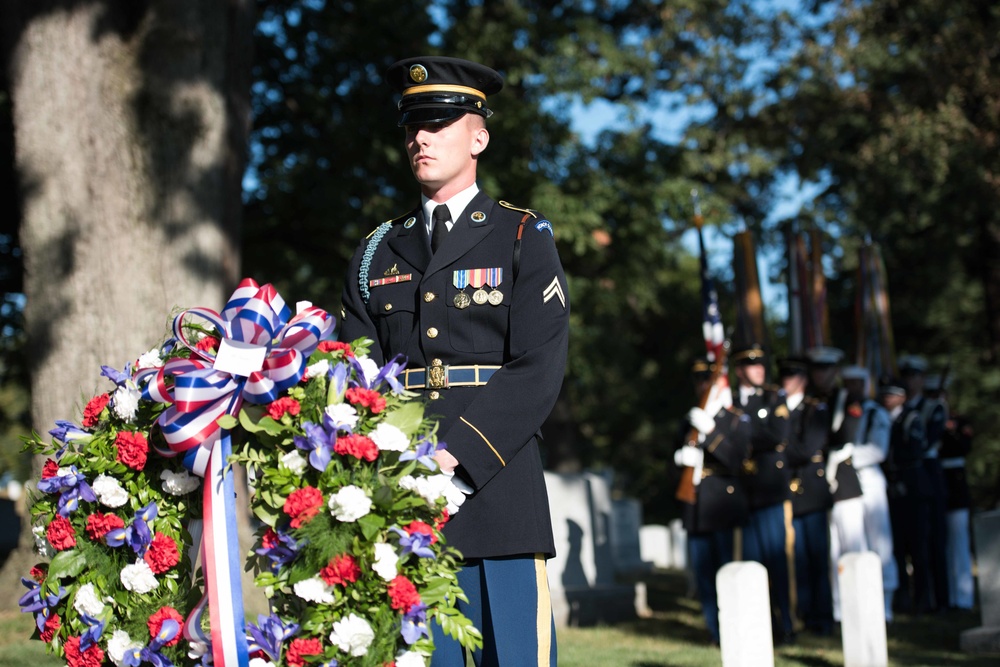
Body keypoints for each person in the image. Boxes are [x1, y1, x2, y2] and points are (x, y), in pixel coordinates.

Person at [338, 56, 569, 666]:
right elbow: (355, 372)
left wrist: (457, 458)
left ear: (479, 137)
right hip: (404, 501)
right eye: (413, 124)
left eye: (440, 123)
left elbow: (539, 364)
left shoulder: (521, 235)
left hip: (498, 495)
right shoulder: (378, 249)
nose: (420, 137)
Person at [674, 358, 751, 645]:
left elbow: (738, 461)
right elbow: (675, 461)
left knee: (728, 571)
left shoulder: (735, 419)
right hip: (696, 505)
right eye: (699, 381)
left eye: (708, 379)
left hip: (723, 506)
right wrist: (680, 461)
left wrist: (710, 434)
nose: (702, 385)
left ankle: (735, 629)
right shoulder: (690, 419)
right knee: (704, 576)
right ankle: (714, 630)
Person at [730, 343, 794, 643]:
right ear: (740, 370)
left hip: (769, 490)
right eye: (752, 365)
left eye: (761, 364)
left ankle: (787, 622)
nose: (759, 370)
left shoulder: (773, 396)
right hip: (744, 492)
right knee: (751, 562)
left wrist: (742, 430)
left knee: (776, 559)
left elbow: (777, 435)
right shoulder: (729, 400)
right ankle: (760, 625)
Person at [805, 346, 867, 625]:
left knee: (853, 547)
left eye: (825, 370)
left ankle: (864, 605)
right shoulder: (811, 400)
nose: (821, 375)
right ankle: (838, 609)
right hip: (819, 487)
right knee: (829, 555)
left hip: (843, 482)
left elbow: (845, 438)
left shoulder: (847, 399)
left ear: (834, 372)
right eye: (817, 370)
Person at [779, 356, 833, 635]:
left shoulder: (815, 409)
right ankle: (801, 611)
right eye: (784, 377)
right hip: (788, 492)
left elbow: (805, 449)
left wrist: (777, 452)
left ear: (802, 380)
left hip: (811, 491)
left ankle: (822, 617)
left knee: (816, 557)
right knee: (795, 559)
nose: (787, 382)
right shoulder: (777, 409)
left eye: (792, 377)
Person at [840, 365, 898, 622]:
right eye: (848, 383)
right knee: (852, 541)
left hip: (870, 481)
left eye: (856, 383)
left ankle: (885, 602)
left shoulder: (876, 413)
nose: (852, 388)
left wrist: (848, 456)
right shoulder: (839, 411)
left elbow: (878, 450)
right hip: (846, 483)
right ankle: (855, 602)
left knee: (880, 543)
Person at [900, 354, 949, 612]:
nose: (910, 381)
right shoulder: (901, 410)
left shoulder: (933, 408)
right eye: (906, 376)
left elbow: (925, 443)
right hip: (908, 479)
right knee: (913, 542)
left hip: (928, 476)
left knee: (935, 541)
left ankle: (941, 599)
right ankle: (918, 598)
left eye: (914, 376)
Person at [880, 374, 932, 615]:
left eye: (892, 394)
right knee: (897, 547)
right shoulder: (882, 417)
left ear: (902, 396)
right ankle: (902, 598)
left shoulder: (911, 418)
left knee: (918, 547)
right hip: (893, 488)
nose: (887, 398)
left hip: (912, 488)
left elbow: (912, 451)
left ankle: (922, 599)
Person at [927, 375, 975, 610]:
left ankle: (963, 597)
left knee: (959, 542)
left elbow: (963, 448)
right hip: (937, 486)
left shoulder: (958, 422)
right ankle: (946, 596)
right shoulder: (926, 420)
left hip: (955, 489)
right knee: (942, 544)